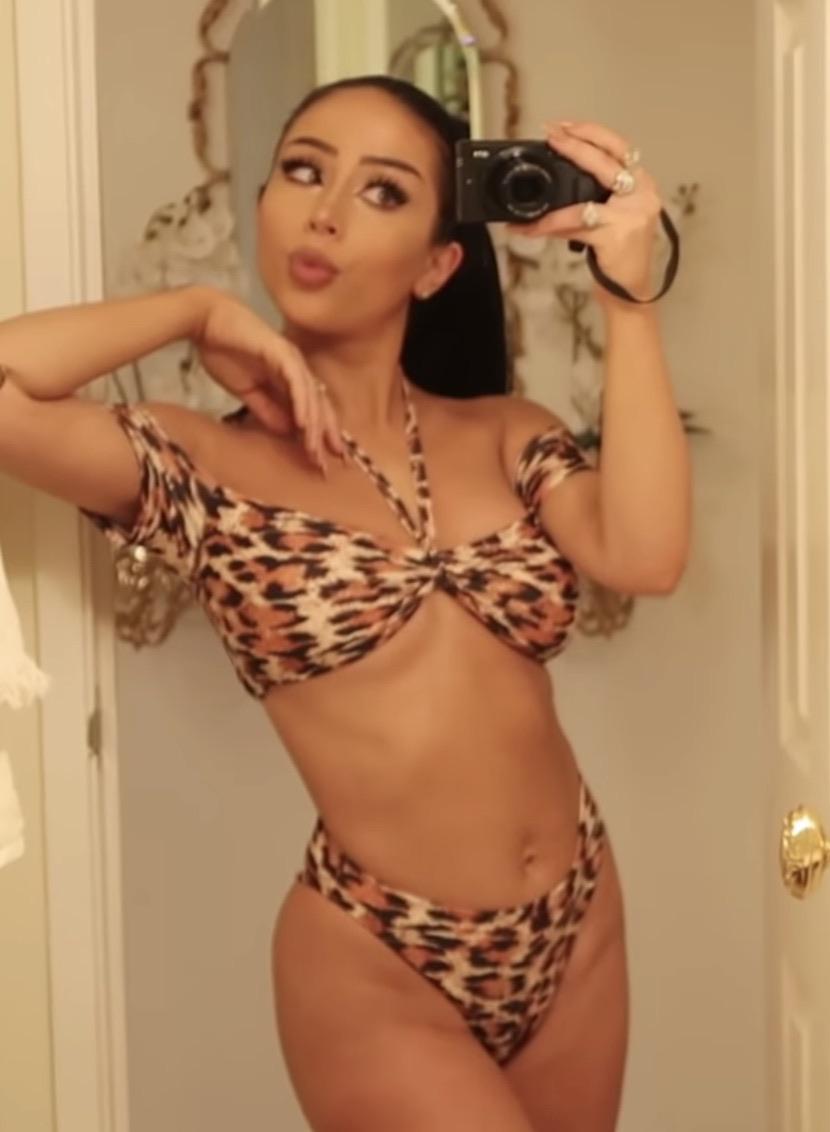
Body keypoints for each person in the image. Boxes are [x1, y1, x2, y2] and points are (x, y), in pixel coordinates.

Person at [0, 75, 691, 1131]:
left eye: (383, 191)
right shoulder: (197, 463)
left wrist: (628, 294)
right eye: (303, 170)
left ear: (437, 263)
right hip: (378, 958)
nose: (324, 212)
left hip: (579, 917)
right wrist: (198, 310)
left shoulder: (508, 433)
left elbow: (646, 555)